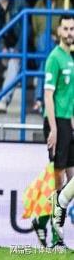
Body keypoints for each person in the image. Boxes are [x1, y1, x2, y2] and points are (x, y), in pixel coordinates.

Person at [43, 15, 74, 249]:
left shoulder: (70, 58)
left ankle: (58, 226)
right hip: (57, 123)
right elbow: (48, 95)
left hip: (68, 123)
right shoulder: (54, 58)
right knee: (58, 178)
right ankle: (55, 234)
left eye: (72, 29)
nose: (70, 32)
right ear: (58, 32)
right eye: (66, 29)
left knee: (70, 179)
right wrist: (53, 128)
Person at [31, 0, 63, 115]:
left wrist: (56, 36)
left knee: (46, 61)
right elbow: (36, 31)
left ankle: (39, 100)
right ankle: (45, 100)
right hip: (42, 46)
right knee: (44, 41)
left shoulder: (65, 3)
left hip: (59, 47)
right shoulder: (38, 6)